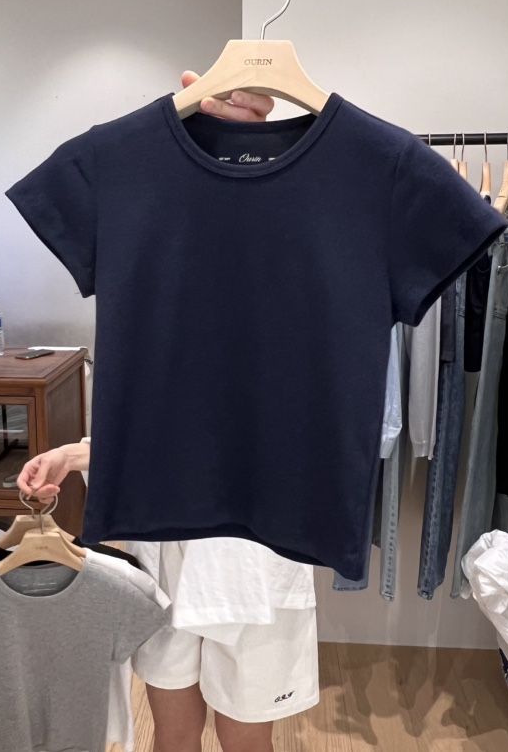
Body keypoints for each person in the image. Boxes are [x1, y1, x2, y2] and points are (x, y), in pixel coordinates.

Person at [17, 69, 315, 752]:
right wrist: (78, 454)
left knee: (246, 739)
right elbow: (167, 417)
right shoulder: (154, 237)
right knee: (173, 732)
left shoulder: (297, 235)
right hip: (165, 545)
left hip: (256, 554)